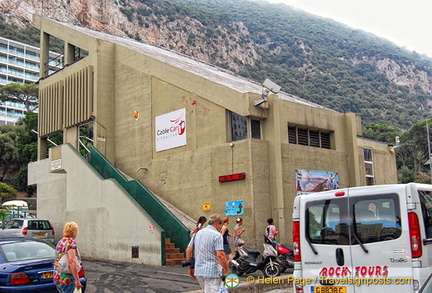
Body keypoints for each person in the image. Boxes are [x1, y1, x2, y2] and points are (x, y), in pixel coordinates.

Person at [185, 214, 230, 293]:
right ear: (217, 224)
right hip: (212, 272)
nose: (220, 228)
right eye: (220, 225)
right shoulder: (217, 235)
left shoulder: (197, 234)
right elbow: (220, 255)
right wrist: (227, 270)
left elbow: (188, 250)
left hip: (199, 271)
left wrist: (190, 267)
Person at [54, 221, 82, 293]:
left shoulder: (60, 242)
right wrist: (77, 280)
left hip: (58, 276)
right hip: (67, 279)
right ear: (74, 232)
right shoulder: (70, 243)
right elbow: (72, 261)